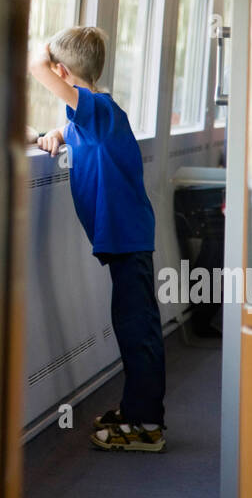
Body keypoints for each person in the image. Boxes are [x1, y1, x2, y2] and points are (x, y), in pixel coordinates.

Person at [27, 26, 166, 453]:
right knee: (131, 326)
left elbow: (35, 64)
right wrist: (48, 135)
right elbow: (71, 131)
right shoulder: (87, 116)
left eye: (56, 71)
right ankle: (136, 410)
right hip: (123, 240)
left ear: (63, 71)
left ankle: (147, 427)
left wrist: (46, 52)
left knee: (137, 330)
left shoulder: (100, 110)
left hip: (128, 240)